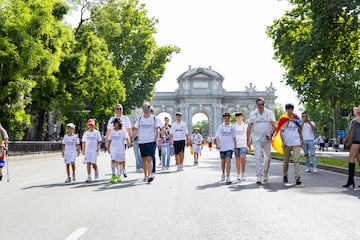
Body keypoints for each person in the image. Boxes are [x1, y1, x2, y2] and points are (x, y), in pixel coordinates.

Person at [247, 98, 276, 184]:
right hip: (256, 140)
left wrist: (271, 134)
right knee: (258, 157)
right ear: (256, 105)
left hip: (267, 139)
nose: (261, 106)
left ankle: (265, 173)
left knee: (268, 158)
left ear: (264, 104)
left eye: (262, 104)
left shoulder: (269, 113)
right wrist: (248, 139)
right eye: (259, 105)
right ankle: (259, 176)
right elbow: (249, 127)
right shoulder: (253, 114)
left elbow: (274, 126)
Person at [132, 102, 161, 183]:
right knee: (143, 159)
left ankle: (150, 175)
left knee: (149, 158)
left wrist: (155, 139)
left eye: (147, 107)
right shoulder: (140, 119)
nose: (146, 109)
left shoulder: (154, 118)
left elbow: (157, 129)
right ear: (143, 109)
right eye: (144, 107)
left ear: (149, 108)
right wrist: (131, 139)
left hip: (151, 141)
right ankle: (145, 175)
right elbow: (135, 130)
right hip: (142, 141)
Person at [105, 103, 132, 178]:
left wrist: (130, 140)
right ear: (115, 110)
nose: (119, 110)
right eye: (117, 109)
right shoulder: (112, 119)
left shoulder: (125, 119)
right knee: (115, 158)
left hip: (123, 140)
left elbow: (129, 129)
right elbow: (109, 130)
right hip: (114, 141)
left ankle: (124, 169)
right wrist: (107, 141)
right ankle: (118, 171)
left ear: (122, 110)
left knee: (122, 156)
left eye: (120, 109)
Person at [279, 104, 303, 185]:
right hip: (287, 143)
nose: (290, 111)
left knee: (296, 160)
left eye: (291, 109)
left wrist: (295, 122)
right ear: (286, 110)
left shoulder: (297, 118)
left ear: (293, 110)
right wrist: (283, 141)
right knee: (286, 161)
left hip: (296, 142)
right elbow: (281, 132)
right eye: (288, 109)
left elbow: (300, 129)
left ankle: (297, 178)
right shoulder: (283, 119)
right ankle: (285, 175)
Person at [215, 112, 237, 183]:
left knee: (228, 160)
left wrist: (235, 147)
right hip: (222, 146)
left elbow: (234, 137)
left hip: (230, 146)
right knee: (223, 161)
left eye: (228, 117)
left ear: (230, 118)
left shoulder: (232, 126)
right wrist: (218, 144)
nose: (227, 119)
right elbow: (217, 136)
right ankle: (223, 173)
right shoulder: (220, 126)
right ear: (223, 118)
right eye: (225, 117)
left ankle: (228, 176)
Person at [342, 105, 360, 188]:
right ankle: (350, 180)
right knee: (358, 159)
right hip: (356, 141)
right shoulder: (354, 121)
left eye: (358, 108)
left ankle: (350, 180)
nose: (357, 109)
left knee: (351, 159)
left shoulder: (355, 121)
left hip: (357, 142)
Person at [234, 112, 248, 181]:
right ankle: (238, 174)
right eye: (237, 117)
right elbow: (232, 136)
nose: (239, 118)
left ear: (242, 117)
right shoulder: (233, 126)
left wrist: (249, 142)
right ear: (235, 118)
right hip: (236, 145)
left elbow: (248, 134)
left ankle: (243, 173)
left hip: (243, 144)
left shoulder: (245, 125)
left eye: (240, 117)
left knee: (243, 157)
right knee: (237, 160)